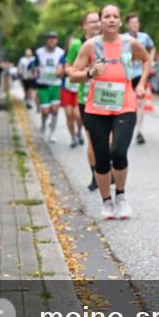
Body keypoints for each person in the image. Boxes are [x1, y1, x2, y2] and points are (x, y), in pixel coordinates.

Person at [68, 4, 151, 220]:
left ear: (120, 22)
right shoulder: (90, 46)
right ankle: (106, 202)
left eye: (115, 16)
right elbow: (73, 75)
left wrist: (141, 84)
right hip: (96, 109)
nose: (111, 20)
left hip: (125, 106)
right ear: (101, 21)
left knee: (119, 152)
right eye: (107, 16)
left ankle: (121, 197)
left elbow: (146, 60)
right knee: (102, 157)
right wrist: (90, 72)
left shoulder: (129, 43)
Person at [67, 11, 102, 191]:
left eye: (98, 21)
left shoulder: (108, 42)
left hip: (107, 97)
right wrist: (83, 73)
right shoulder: (77, 45)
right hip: (86, 97)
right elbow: (68, 67)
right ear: (84, 25)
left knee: (109, 140)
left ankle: (105, 170)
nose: (96, 24)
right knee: (93, 140)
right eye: (92, 22)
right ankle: (95, 174)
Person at [125, 14, 155, 145]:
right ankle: (127, 127)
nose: (135, 25)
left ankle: (139, 131)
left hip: (140, 74)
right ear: (127, 25)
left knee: (140, 103)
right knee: (128, 103)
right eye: (132, 23)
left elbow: (152, 47)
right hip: (127, 74)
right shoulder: (123, 39)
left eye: (137, 23)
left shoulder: (144, 37)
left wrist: (150, 59)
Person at [34, 32, 65, 143]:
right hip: (43, 84)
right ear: (46, 40)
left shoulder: (61, 52)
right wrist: (35, 72)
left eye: (54, 39)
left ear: (56, 40)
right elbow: (36, 66)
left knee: (55, 110)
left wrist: (61, 72)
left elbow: (63, 66)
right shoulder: (39, 52)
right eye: (50, 39)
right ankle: (43, 125)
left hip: (55, 85)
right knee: (45, 111)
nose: (52, 41)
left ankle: (52, 133)